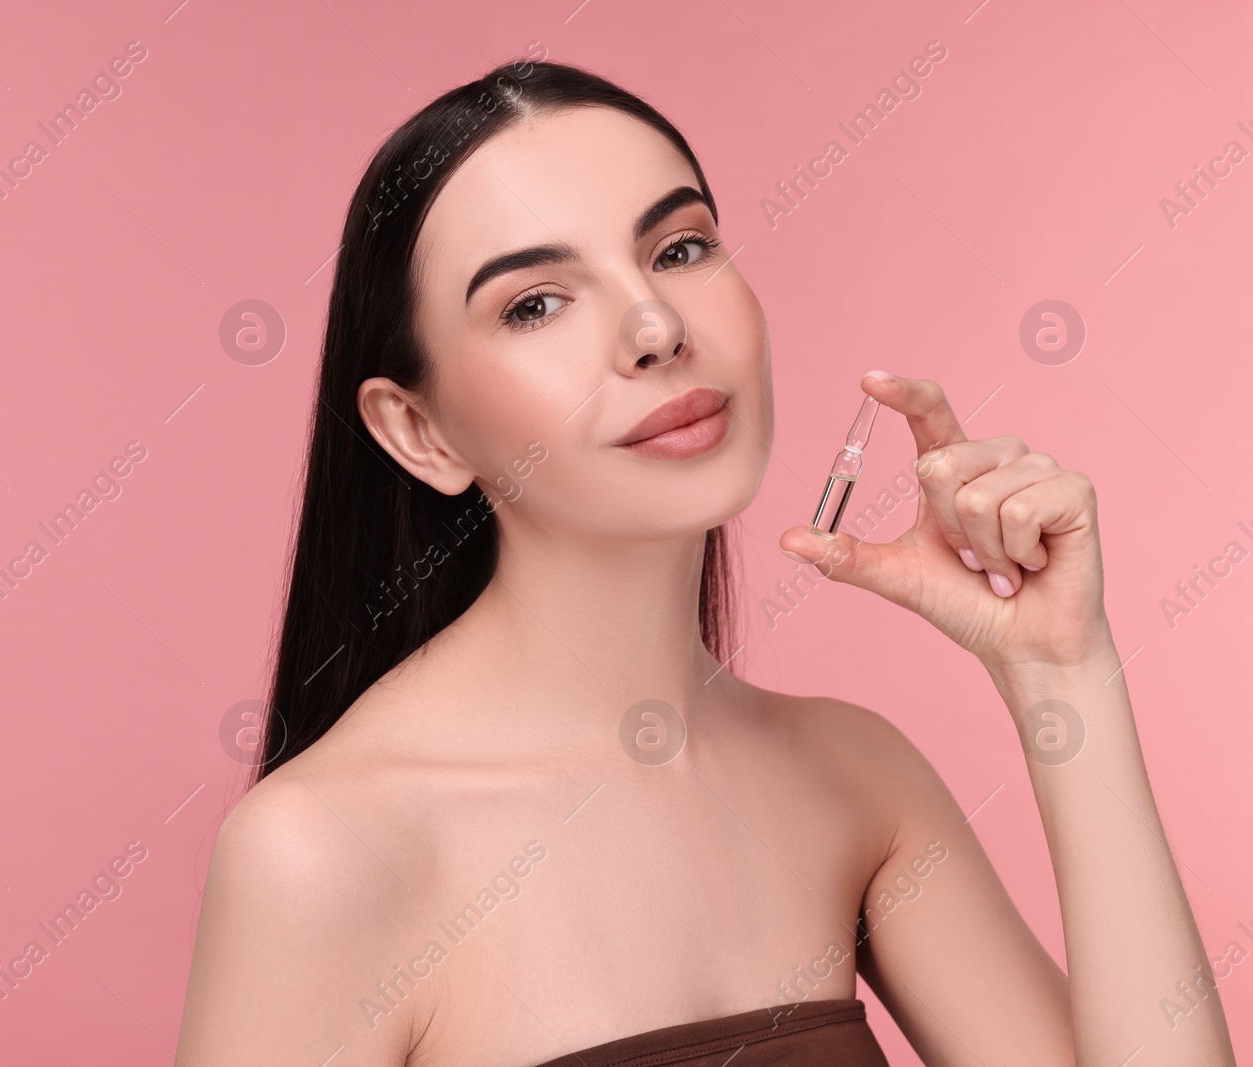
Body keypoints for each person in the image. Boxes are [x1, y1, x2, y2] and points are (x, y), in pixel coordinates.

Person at [175, 57, 1236, 1067]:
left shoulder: (850, 776)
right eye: (534, 302)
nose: (652, 326)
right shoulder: (322, 854)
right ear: (419, 431)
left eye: (678, 248)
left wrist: (1062, 672)